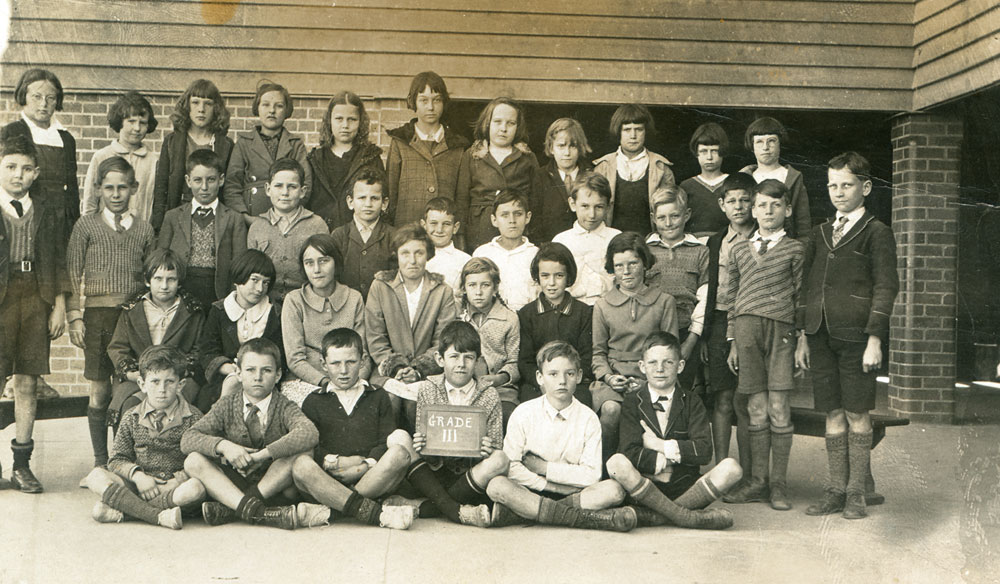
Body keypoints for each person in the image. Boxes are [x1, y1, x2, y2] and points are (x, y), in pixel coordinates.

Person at [796, 152, 899, 520]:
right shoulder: (820, 233)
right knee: (832, 412)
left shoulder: (876, 231)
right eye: (832, 185)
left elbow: (886, 287)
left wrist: (875, 338)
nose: (838, 192)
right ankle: (835, 489)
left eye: (847, 185)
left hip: (857, 337)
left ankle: (857, 492)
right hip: (820, 333)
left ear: (865, 187)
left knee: (857, 412)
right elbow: (806, 286)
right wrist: (804, 335)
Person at [486, 341, 636, 532]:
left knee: (614, 491)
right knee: (496, 485)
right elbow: (512, 467)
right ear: (540, 377)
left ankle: (526, 514)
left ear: (579, 376)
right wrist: (552, 486)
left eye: (570, 374)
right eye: (553, 374)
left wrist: (545, 468)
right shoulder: (524, 412)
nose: (562, 381)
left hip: (577, 494)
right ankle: (581, 518)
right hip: (534, 491)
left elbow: (592, 475)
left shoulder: (588, 418)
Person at [67, 156, 156, 479]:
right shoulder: (86, 226)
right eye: (109, 188)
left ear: (134, 188)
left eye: (122, 187)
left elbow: (151, 275)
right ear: (98, 189)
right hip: (97, 317)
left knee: (128, 389)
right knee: (100, 389)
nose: (116, 194)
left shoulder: (144, 229)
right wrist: (75, 317)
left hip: (132, 316)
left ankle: (125, 459)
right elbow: (72, 273)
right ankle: (100, 460)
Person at [181, 338, 326, 530]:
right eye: (250, 370)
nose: (258, 377)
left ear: (278, 375)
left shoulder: (284, 406)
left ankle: (236, 508)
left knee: (303, 453)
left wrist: (262, 455)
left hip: (271, 484)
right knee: (193, 460)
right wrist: (224, 446)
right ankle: (260, 513)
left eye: (266, 370)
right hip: (235, 480)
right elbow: (188, 438)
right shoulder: (227, 405)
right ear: (238, 373)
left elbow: (309, 433)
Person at [722, 179, 805, 511]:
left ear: (786, 209)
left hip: (781, 332)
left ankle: (779, 485)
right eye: (761, 205)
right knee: (755, 409)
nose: (768, 211)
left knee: (778, 409)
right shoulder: (740, 249)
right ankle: (758, 481)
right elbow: (731, 297)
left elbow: (800, 298)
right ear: (752, 210)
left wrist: (801, 340)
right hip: (746, 332)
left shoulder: (795, 249)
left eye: (775, 205)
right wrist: (732, 341)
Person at [606, 332, 739, 530]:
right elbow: (628, 450)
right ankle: (685, 517)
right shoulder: (633, 401)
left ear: (680, 366)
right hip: (645, 485)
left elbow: (704, 451)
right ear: (642, 367)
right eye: (652, 363)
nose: (660, 369)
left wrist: (660, 446)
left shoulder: (692, 401)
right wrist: (658, 462)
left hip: (683, 487)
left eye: (668, 362)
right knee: (616, 463)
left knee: (731, 468)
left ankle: (652, 517)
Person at [386, 321, 509, 527]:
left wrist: (488, 449)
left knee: (500, 459)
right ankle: (455, 510)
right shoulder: (428, 388)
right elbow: (427, 447)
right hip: (434, 475)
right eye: (454, 356)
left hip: (470, 478)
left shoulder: (489, 394)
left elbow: (496, 446)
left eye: (468, 357)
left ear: (478, 361)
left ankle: (425, 507)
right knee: (398, 437)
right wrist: (421, 445)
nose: (461, 364)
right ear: (440, 359)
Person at [291, 328, 415, 530]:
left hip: (370, 478)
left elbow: (385, 440)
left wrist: (364, 466)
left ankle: (334, 510)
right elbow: (312, 446)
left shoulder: (377, 396)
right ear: (323, 364)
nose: (343, 370)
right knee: (300, 465)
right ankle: (374, 513)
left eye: (350, 362)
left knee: (400, 453)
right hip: (329, 478)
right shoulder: (314, 401)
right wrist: (334, 462)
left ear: (363, 360)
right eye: (335, 363)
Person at [0, 133, 69, 493]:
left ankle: (21, 466)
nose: (18, 175)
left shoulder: (46, 211)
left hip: (35, 297)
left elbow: (57, 261)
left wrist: (58, 306)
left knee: (27, 382)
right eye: (10, 167)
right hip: (1, 298)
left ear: (37, 173)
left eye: (26, 169)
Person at [82, 346, 207, 529]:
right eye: (155, 382)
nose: (162, 389)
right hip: (139, 485)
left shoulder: (194, 418)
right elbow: (116, 460)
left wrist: (177, 480)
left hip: (174, 486)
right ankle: (158, 515)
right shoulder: (132, 417)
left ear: (181, 385)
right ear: (142, 384)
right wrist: (138, 477)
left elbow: (202, 461)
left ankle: (127, 510)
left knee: (195, 489)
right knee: (95, 476)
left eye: (169, 382)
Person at [591, 232, 678, 463]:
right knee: (611, 410)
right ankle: (605, 468)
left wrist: (649, 380)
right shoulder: (602, 305)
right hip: (614, 379)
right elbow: (598, 353)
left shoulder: (663, 301)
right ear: (612, 268)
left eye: (633, 263)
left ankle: (649, 469)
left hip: (653, 378)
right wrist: (609, 378)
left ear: (644, 264)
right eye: (619, 266)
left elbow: (669, 352)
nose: (626, 271)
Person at [366, 224, 456, 425]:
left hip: (428, 373)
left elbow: (443, 340)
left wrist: (417, 370)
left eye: (419, 253)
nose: (412, 260)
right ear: (396, 256)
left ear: (428, 255)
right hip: (387, 371)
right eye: (405, 253)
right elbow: (375, 336)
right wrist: (397, 368)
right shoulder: (380, 287)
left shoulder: (442, 291)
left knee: (416, 403)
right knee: (391, 400)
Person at [106, 249, 206, 427]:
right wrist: (134, 374)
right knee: (129, 405)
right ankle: (126, 453)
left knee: (179, 408)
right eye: (158, 279)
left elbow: (199, 350)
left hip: (178, 377)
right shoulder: (132, 309)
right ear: (147, 280)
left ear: (179, 282)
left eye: (171, 279)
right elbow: (118, 347)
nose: (164, 286)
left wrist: (175, 373)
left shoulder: (192, 311)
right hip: (140, 377)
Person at [703, 173, 756, 467]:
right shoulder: (715, 242)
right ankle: (722, 468)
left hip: (751, 321)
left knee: (745, 401)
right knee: (722, 398)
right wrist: (707, 333)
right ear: (722, 204)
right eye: (731, 201)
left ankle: (749, 472)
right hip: (720, 322)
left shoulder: (763, 237)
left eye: (745, 200)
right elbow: (711, 290)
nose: (738, 207)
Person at [280, 234, 369, 406]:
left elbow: (363, 353)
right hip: (307, 382)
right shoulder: (294, 300)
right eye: (309, 263)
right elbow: (295, 359)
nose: (316, 270)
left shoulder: (354, 298)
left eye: (324, 261)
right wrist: (326, 383)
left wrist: (354, 384)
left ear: (336, 263)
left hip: (351, 380)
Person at [157, 148, 248, 308]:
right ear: (188, 180)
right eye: (198, 180)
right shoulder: (173, 217)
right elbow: (161, 259)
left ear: (221, 180)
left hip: (217, 291)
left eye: (211, 180)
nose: (204, 187)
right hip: (182, 289)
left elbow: (239, 264)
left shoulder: (233, 218)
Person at [197, 250, 283, 413]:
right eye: (255, 280)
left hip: (263, 380)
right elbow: (208, 351)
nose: (260, 289)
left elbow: (280, 355)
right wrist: (232, 370)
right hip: (224, 379)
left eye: (265, 283)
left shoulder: (275, 313)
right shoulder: (219, 310)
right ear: (239, 279)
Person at [1, 68, 79, 245]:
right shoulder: (11, 132)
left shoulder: (66, 139)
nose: (43, 104)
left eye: (50, 98)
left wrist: (74, 222)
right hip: (29, 217)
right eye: (37, 97)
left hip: (61, 221)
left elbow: (72, 186)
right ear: (24, 96)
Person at [645, 185, 709, 391]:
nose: (669, 223)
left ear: (686, 215)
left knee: (681, 391)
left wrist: (692, 340)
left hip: (685, 331)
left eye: (675, 216)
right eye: (662, 217)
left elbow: (705, 297)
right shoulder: (644, 249)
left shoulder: (700, 251)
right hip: (650, 331)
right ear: (653, 218)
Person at [386, 71, 469, 227]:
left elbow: (462, 199)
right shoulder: (400, 142)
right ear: (413, 103)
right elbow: (391, 193)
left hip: (443, 232)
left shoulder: (457, 147)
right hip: (407, 230)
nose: (430, 107)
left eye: (436, 100)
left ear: (444, 103)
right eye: (423, 100)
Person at [456, 97, 538, 251]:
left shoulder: (527, 157)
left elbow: (536, 199)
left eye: (510, 123)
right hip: (480, 228)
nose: (503, 128)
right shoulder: (473, 155)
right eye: (497, 122)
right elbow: (461, 200)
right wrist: (460, 237)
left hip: (515, 229)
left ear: (518, 127)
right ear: (487, 123)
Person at [517, 242, 593, 408]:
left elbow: (586, 358)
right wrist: (545, 384)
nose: (551, 283)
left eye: (559, 276)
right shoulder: (526, 314)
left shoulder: (584, 313)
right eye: (545, 276)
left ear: (569, 277)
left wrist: (568, 383)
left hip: (573, 385)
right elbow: (525, 361)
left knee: (583, 404)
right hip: (537, 385)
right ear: (537, 277)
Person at [151, 79, 234, 231]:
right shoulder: (172, 142)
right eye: (195, 103)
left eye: (207, 104)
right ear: (187, 106)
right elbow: (161, 186)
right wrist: (158, 226)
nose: (201, 109)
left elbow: (229, 189)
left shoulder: (226, 145)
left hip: (215, 217)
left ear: (216, 108)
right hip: (179, 213)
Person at [224, 80, 311, 223]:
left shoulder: (295, 144)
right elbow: (232, 186)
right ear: (257, 108)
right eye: (266, 105)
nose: (272, 111)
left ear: (287, 111)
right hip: (251, 220)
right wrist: (245, 217)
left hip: (289, 220)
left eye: (279, 106)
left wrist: (288, 217)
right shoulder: (244, 143)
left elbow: (306, 184)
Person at [247, 158, 328, 300]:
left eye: (292, 187)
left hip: (306, 302)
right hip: (266, 302)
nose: (285, 192)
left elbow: (324, 270)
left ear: (302, 191)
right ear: (267, 189)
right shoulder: (257, 227)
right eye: (278, 186)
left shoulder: (317, 225)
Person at [306, 91, 385, 230]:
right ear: (329, 121)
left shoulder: (370, 157)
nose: (345, 125)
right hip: (321, 233)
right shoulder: (316, 159)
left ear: (361, 122)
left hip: (358, 234)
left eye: (352, 119)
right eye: (339, 119)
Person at [592, 103, 674, 235]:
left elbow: (669, 209)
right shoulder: (603, 167)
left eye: (639, 129)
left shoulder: (661, 168)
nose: (633, 135)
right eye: (627, 129)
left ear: (646, 131)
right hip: (611, 239)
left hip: (650, 239)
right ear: (618, 131)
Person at [458, 257, 520, 427]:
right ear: (464, 288)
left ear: (495, 288)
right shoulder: (457, 317)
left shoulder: (509, 319)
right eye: (472, 285)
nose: (478, 292)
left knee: (506, 415)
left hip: (500, 390)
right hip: (461, 388)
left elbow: (514, 362)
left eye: (485, 285)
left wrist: (499, 379)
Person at [82, 91, 158, 222]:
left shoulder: (153, 161)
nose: (137, 128)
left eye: (143, 123)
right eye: (131, 121)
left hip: (140, 234)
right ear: (120, 122)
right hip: (105, 234)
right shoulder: (102, 157)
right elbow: (90, 202)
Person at [551, 172, 620, 306]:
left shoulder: (616, 238)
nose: (592, 214)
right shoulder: (561, 240)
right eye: (585, 206)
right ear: (572, 204)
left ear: (608, 207)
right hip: (570, 309)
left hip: (610, 307)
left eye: (599, 207)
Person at [739, 117, 811, 241]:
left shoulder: (792, 177)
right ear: (752, 146)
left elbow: (803, 222)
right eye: (759, 142)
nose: (765, 147)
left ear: (780, 144)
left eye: (771, 141)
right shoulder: (744, 178)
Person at [330, 169, 394, 300]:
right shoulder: (339, 236)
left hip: (383, 309)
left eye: (374, 198)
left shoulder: (394, 236)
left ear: (384, 203)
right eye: (362, 198)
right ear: (350, 202)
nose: (368, 204)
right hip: (346, 308)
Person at [471, 192, 539, 312]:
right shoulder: (482, 253)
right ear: (494, 220)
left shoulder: (536, 254)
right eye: (504, 215)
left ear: (527, 217)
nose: (512, 220)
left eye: (518, 214)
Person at [532, 118, 593, 243]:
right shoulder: (540, 177)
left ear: (580, 148)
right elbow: (535, 220)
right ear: (551, 148)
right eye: (561, 146)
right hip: (551, 245)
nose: (567, 153)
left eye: (573, 146)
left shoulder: (591, 174)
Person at [679, 122, 731, 238]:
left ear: (722, 152)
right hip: (695, 243)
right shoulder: (686, 186)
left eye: (714, 151)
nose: (709, 157)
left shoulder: (731, 183)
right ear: (696, 153)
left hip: (726, 242)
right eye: (703, 151)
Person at [422, 196, 471, 300]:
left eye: (446, 224)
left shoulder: (465, 260)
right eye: (434, 223)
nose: (439, 230)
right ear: (424, 225)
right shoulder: (416, 255)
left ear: (455, 228)